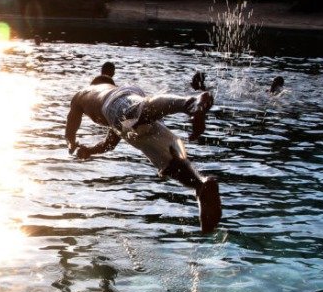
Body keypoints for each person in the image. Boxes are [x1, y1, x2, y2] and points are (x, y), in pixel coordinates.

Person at [65, 79, 221, 233]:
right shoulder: (113, 110)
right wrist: (90, 151)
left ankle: (190, 103)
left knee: (138, 110)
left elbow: (71, 122)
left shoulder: (84, 93)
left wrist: (71, 142)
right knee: (167, 161)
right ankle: (201, 185)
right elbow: (110, 144)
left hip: (121, 101)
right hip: (128, 111)